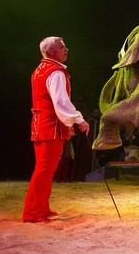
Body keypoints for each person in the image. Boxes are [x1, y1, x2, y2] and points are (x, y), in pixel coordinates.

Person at [23, 37, 90, 223]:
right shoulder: (55, 72)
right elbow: (61, 103)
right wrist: (79, 120)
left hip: (41, 125)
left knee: (46, 169)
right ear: (52, 52)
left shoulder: (40, 70)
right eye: (62, 47)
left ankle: (41, 208)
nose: (66, 49)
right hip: (50, 127)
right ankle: (32, 212)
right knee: (44, 169)